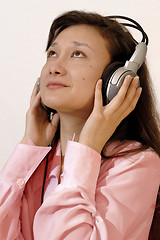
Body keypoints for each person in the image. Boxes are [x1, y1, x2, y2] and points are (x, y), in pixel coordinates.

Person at [0, 10, 160, 240]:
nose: (55, 67)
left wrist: (87, 151)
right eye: (52, 53)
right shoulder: (37, 162)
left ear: (116, 79)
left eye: (77, 54)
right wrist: (27, 148)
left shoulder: (135, 163)